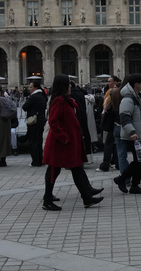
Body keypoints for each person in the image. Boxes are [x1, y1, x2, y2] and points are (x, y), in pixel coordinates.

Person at [41, 75, 105, 210]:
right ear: (63, 86)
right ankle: (47, 200)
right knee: (53, 170)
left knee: (76, 168)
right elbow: (53, 121)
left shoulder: (65, 100)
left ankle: (87, 196)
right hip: (60, 144)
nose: (71, 86)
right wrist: (63, 137)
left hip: (67, 143)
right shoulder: (59, 101)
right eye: (68, 85)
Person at [114, 73, 141, 195]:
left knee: (139, 160)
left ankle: (132, 183)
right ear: (136, 85)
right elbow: (124, 117)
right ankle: (123, 180)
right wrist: (132, 132)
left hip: (139, 134)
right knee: (139, 160)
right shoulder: (128, 99)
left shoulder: (138, 97)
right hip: (134, 136)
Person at [23, 80, 47, 167]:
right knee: (39, 141)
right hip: (41, 120)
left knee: (33, 141)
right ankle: (41, 160)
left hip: (33, 121)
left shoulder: (33, 97)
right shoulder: (42, 96)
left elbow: (24, 107)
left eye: (31, 87)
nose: (29, 89)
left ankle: (35, 161)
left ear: (35, 88)